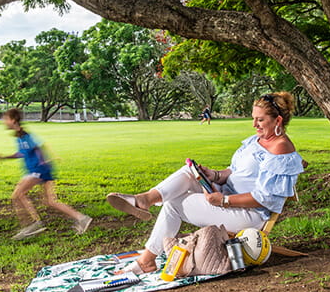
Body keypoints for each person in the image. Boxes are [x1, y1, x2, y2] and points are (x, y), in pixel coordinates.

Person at [107, 92, 304, 274]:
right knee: (189, 173)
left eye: (260, 120)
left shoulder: (281, 150)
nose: (254, 124)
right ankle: (145, 199)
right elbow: (235, 172)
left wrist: (223, 200)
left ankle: (146, 261)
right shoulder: (256, 140)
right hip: (227, 195)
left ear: (277, 120)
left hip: (249, 214)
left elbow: (265, 199)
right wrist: (214, 175)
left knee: (174, 204)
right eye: (253, 118)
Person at [0, 108, 92, 240]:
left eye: (6, 119)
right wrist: (5, 157)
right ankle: (82, 218)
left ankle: (33, 224)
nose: (4, 121)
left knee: (18, 195)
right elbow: (22, 153)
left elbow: (39, 147)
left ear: (13, 120)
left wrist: (42, 162)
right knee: (50, 201)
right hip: (38, 170)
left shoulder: (26, 135)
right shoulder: (19, 136)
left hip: (38, 170)